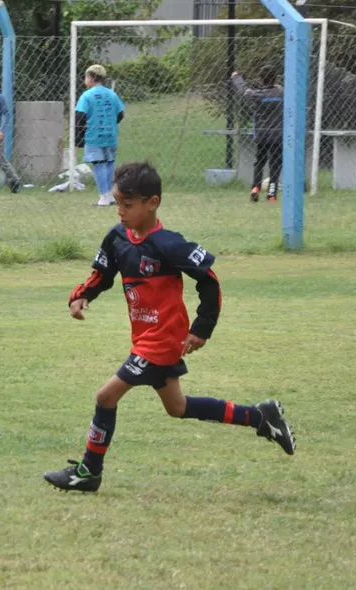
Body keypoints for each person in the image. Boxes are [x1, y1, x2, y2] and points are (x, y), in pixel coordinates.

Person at [43, 162, 295, 493]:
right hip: (144, 337)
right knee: (178, 408)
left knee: (106, 396)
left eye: (128, 205)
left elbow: (209, 280)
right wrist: (82, 295)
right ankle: (260, 417)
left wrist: (201, 328)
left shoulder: (169, 245)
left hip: (162, 341)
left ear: (153, 202)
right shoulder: (117, 238)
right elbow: (102, 275)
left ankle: (89, 472)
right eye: (118, 203)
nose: (120, 211)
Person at [75, 64, 125, 207]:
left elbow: (79, 116)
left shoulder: (87, 96)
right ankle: (110, 195)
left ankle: (103, 197)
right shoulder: (112, 94)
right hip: (110, 135)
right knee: (109, 163)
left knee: (98, 164)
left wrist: (80, 135)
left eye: (85, 77)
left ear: (90, 77)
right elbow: (120, 114)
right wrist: (111, 124)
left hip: (94, 135)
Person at [231, 67, 283, 202]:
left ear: (261, 80)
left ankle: (255, 188)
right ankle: (272, 194)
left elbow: (244, 91)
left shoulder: (257, 95)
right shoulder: (281, 94)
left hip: (262, 134)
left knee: (259, 161)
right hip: (277, 134)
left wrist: (237, 78)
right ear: (276, 78)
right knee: (275, 164)